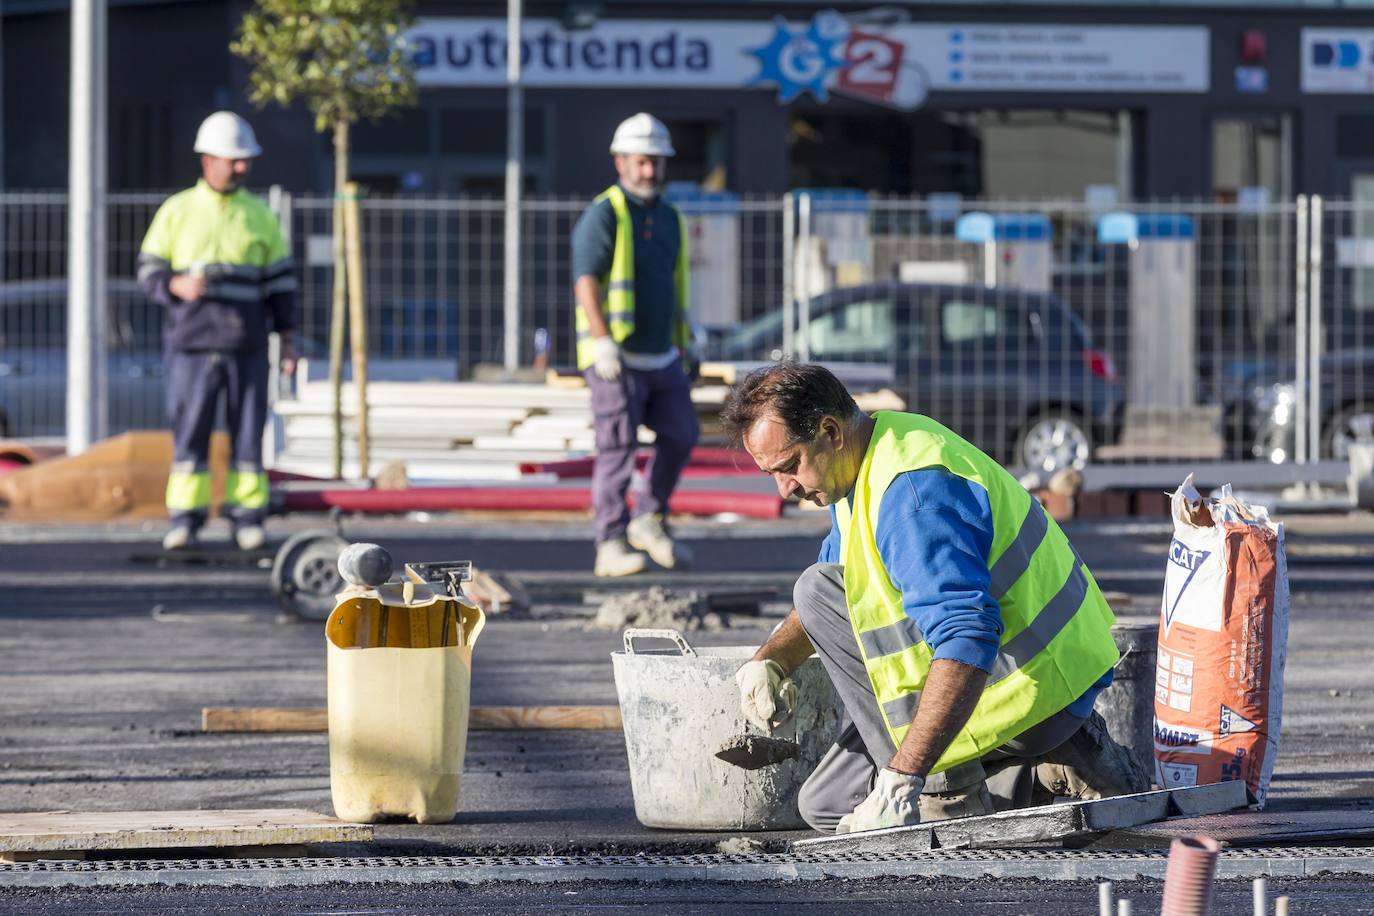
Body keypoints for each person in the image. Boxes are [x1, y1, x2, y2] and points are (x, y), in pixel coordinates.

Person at [721, 361, 1148, 834]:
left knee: (814, 590)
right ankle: (1047, 771)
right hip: (1014, 686)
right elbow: (844, 589)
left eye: (788, 466)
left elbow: (967, 637)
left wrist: (904, 780)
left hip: (1033, 690)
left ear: (829, 431)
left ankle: (953, 794)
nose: (785, 489)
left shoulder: (912, 494)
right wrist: (771, 660)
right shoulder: (866, 460)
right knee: (827, 803)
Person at [137, 111, 298, 552]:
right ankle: (185, 520)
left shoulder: (259, 214)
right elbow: (148, 270)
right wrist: (175, 284)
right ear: (208, 160)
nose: (243, 167)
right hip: (190, 345)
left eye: (245, 160)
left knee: (249, 435)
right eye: (234, 159)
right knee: (190, 435)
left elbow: (280, 282)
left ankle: (247, 519)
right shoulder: (178, 211)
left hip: (246, 344)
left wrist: (287, 337)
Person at [571, 113, 700, 577]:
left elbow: (675, 285)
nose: (650, 171)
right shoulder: (605, 213)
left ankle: (648, 517)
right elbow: (585, 280)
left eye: (656, 162)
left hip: (661, 353)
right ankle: (609, 543)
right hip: (616, 358)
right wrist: (602, 340)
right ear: (620, 161)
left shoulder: (670, 217)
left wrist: (688, 342)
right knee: (617, 448)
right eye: (642, 162)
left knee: (683, 433)